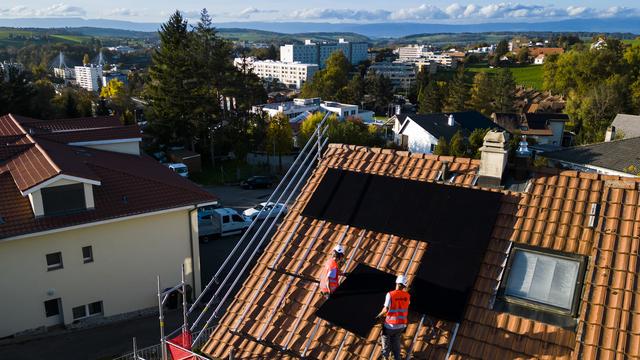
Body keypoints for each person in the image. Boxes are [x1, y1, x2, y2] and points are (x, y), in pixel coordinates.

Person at [376, 275, 410, 360]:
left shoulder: (390, 294)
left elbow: (385, 309)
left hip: (390, 325)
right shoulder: (407, 295)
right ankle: (397, 357)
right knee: (396, 341)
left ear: (396, 283)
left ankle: (385, 357)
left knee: (385, 339)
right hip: (402, 325)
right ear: (404, 285)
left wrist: (377, 316)